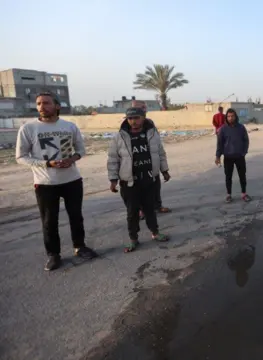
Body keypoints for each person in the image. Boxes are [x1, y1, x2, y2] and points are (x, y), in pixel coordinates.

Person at [15, 92, 98, 271]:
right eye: (38, 104)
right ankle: (53, 255)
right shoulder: (28, 129)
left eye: (46, 103)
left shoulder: (69, 126)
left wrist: (72, 159)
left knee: (76, 216)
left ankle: (80, 247)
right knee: (49, 220)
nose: (41, 107)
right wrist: (47, 164)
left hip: (72, 180)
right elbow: (21, 157)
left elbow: (81, 150)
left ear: (57, 106)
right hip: (45, 183)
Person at [107, 107, 171, 252]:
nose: (133, 121)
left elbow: (160, 153)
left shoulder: (152, 133)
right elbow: (113, 159)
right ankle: (133, 239)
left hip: (149, 180)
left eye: (136, 118)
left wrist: (164, 170)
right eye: (130, 118)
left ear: (143, 117)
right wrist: (113, 179)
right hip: (130, 183)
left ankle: (155, 233)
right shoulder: (120, 137)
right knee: (132, 212)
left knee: (150, 209)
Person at [130, 100, 171, 217]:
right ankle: (141, 210)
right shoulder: (127, 125)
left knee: (155, 184)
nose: (145, 110)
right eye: (142, 108)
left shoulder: (150, 123)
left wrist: (164, 169)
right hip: (137, 164)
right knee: (138, 189)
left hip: (152, 161)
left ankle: (158, 205)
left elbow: (158, 144)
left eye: (145, 108)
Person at [215, 108, 251, 203]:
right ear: (226, 117)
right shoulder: (223, 129)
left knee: (242, 176)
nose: (230, 118)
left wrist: (244, 152)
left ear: (235, 117)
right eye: (229, 116)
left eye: (232, 116)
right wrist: (218, 156)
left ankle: (244, 193)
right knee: (228, 177)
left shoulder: (241, 128)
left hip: (240, 156)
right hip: (228, 157)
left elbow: (246, 140)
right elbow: (219, 144)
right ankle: (228, 195)